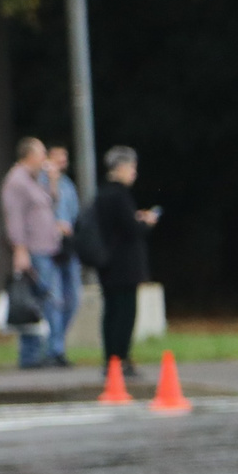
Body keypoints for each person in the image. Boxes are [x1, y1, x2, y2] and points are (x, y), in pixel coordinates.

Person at [89, 145, 158, 381]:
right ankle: (122, 359)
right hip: (124, 265)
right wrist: (145, 222)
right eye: (131, 167)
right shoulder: (120, 195)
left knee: (110, 313)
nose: (133, 172)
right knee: (125, 313)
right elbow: (131, 229)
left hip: (106, 263)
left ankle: (110, 359)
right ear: (119, 168)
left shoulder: (101, 193)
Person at [0, 137, 61, 370]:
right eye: (41, 153)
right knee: (32, 303)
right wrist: (20, 249)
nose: (45, 158)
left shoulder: (34, 180)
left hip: (45, 248)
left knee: (43, 302)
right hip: (33, 250)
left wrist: (52, 182)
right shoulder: (17, 181)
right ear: (29, 156)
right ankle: (31, 355)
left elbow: (48, 204)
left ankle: (47, 351)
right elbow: (15, 218)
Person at [44, 145, 81, 367]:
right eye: (58, 156)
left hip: (68, 246)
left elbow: (74, 213)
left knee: (73, 299)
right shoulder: (41, 182)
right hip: (48, 247)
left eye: (65, 157)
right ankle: (54, 349)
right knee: (54, 299)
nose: (62, 160)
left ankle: (57, 342)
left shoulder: (67, 184)